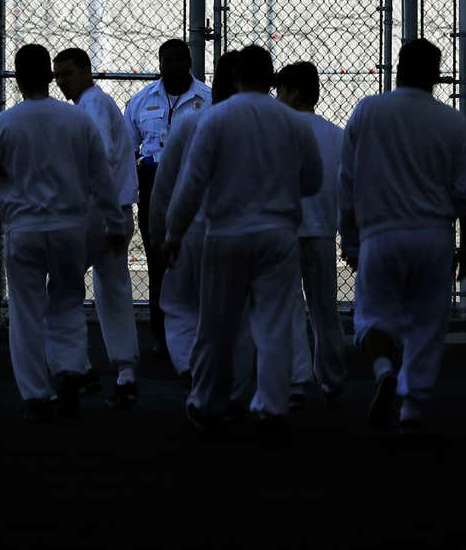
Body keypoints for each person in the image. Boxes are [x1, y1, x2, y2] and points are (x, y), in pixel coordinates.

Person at [163, 45, 322, 433]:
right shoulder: (294, 123)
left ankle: (205, 400)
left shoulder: (215, 119)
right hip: (278, 231)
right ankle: (271, 404)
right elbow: (313, 180)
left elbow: (192, 183)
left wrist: (174, 232)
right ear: (271, 79)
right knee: (272, 321)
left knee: (216, 323)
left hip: (225, 231)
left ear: (235, 78)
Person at [0, 44, 120, 421]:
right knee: (66, 302)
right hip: (69, 226)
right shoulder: (76, 120)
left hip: (24, 226)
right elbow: (102, 176)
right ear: (50, 75)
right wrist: (115, 222)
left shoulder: (4, 123)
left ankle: (36, 393)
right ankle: (69, 368)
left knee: (26, 310)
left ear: (16, 79)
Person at [340, 38, 466, 432]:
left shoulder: (368, 112)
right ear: (436, 75)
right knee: (427, 322)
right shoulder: (451, 121)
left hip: (380, 234)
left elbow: (346, 181)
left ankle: (383, 368)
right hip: (433, 234)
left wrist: (349, 234)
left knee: (371, 315)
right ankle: (412, 405)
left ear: (398, 67)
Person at [146, 50, 257, 407]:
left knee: (180, 306)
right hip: (246, 229)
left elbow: (168, 184)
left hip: (195, 229)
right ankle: (238, 393)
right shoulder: (265, 123)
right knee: (240, 316)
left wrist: (162, 233)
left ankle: (191, 370)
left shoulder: (194, 121)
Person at [53, 47, 141, 408]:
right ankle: (125, 373)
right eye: (58, 75)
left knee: (62, 289)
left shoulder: (91, 107)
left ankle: (77, 368)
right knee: (112, 290)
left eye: (67, 73)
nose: (61, 81)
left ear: (87, 72)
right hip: (114, 209)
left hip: (97, 211)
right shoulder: (96, 104)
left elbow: (98, 157)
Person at [125, 39, 211, 356]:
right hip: (153, 181)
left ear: (189, 62)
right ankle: (159, 332)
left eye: (179, 60)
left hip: (191, 182)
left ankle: (198, 330)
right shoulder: (140, 101)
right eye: (167, 60)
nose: (173, 66)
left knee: (193, 255)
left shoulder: (207, 98)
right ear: (159, 63)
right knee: (157, 256)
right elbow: (128, 147)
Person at [274, 61, 347, 407]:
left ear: (295, 92)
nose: (278, 96)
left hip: (285, 229)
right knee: (324, 307)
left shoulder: (278, 130)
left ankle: (296, 378)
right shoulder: (335, 134)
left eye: (282, 90)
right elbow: (345, 187)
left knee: (288, 305)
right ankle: (331, 377)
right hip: (321, 229)